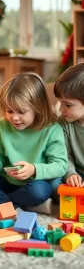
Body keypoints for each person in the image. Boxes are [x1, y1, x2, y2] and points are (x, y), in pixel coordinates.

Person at [0, 72, 68, 215]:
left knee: (39, 191)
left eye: (21, 111)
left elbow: (60, 166)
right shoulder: (2, 125)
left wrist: (33, 169)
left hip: (32, 184)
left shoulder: (52, 128)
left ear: (37, 108)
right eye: (9, 111)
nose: (14, 117)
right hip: (6, 181)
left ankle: (3, 202)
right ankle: (13, 205)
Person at [53, 64, 84, 192]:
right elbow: (64, 155)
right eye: (60, 102)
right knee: (53, 182)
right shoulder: (64, 122)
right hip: (77, 175)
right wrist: (70, 174)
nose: (60, 109)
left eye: (68, 105)